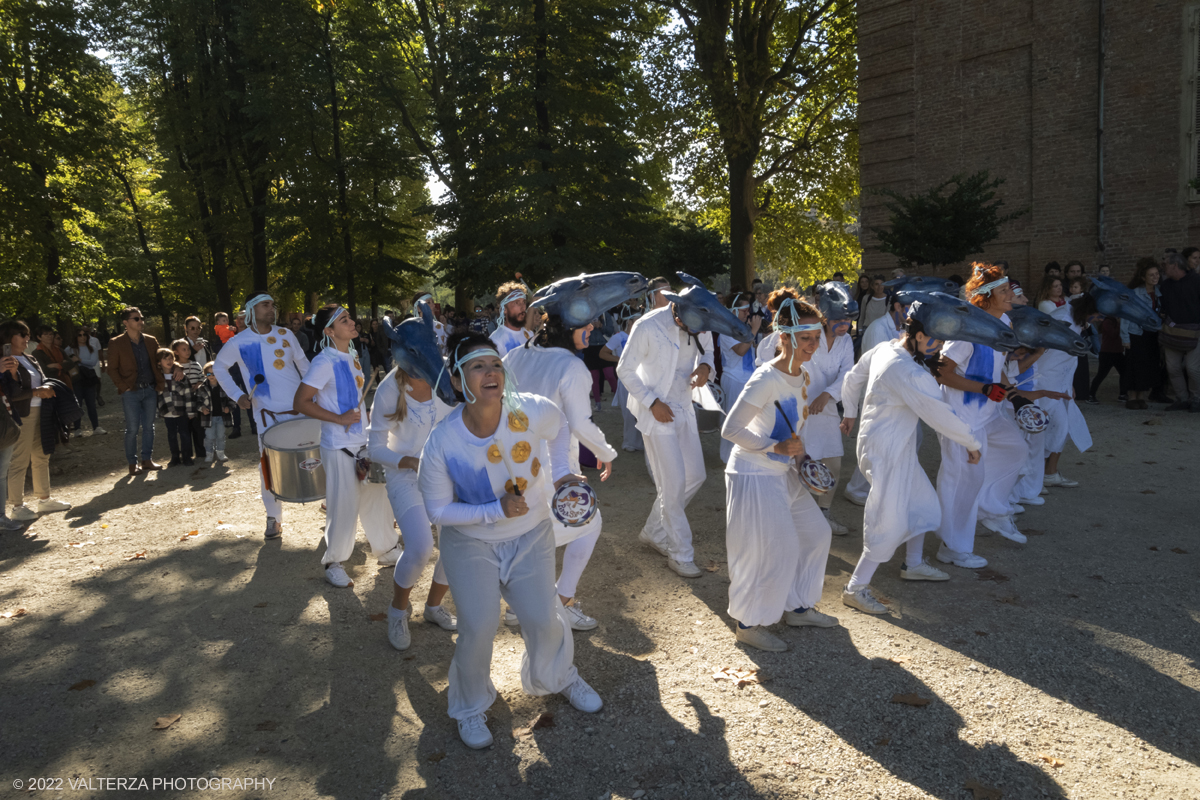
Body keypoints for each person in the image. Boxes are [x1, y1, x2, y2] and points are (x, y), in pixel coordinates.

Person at [417, 332, 602, 749]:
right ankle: (469, 706)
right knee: (479, 629)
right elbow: (438, 511)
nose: (490, 373)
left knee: (543, 618)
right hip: (469, 543)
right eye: (478, 366)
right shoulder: (443, 441)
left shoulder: (533, 410)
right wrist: (493, 511)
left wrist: (559, 473)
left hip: (530, 535)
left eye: (496, 364)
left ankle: (559, 676)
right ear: (460, 378)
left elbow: (560, 428)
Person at [838, 300, 985, 614]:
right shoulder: (906, 370)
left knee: (922, 502)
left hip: (888, 445)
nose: (940, 347)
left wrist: (850, 412)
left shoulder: (886, 349)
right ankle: (855, 588)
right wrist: (971, 443)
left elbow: (852, 378)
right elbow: (939, 413)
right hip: (886, 451)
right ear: (918, 336)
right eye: (937, 340)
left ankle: (913, 564)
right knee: (888, 517)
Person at [720, 293, 838, 651]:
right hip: (753, 474)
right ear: (784, 337)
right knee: (773, 548)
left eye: (817, 338)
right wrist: (775, 448)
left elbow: (793, 430)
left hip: (783, 473)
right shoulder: (764, 379)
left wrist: (802, 458)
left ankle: (798, 606)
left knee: (817, 534)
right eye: (806, 338)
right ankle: (748, 622)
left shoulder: (801, 377)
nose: (813, 346)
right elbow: (730, 430)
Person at [505, 312, 619, 631]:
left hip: (508, 461)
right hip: (550, 463)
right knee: (587, 522)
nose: (592, 328)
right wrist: (605, 452)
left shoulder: (515, 354)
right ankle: (560, 602)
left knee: (528, 530)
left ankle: (520, 605)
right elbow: (580, 422)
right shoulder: (571, 366)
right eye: (585, 323)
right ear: (566, 328)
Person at [933, 265, 1033, 567]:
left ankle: (991, 508)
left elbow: (998, 364)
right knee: (962, 480)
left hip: (989, 413)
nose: (1010, 294)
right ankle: (951, 546)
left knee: (1016, 449)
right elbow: (942, 373)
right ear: (986, 297)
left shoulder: (1002, 321)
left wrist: (1013, 396)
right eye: (1004, 291)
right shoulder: (965, 330)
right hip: (961, 417)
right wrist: (984, 387)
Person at [294, 305, 400, 588]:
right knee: (343, 505)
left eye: (350, 318)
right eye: (344, 320)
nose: (353, 322)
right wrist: (338, 418)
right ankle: (334, 562)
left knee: (376, 496)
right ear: (329, 331)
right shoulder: (323, 361)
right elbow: (301, 402)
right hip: (339, 445)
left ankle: (386, 549)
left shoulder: (352, 356)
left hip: (361, 440)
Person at [615, 283, 715, 578]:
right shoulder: (647, 326)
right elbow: (625, 369)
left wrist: (706, 367)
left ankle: (653, 531)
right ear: (676, 308)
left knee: (696, 475)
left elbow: (706, 350)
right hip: (655, 412)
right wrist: (651, 401)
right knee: (673, 483)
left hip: (684, 407)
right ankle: (680, 552)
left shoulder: (701, 319)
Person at [368, 357, 457, 651]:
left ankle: (433, 607)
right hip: (405, 476)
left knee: (455, 544)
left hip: (447, 473)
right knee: (420, 548)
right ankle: (397, 611)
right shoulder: (389, 388)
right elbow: (375, 448)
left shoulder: (445, 372)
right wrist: (408, 461)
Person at [214, 292, 311, 539]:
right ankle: (274, 517)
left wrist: (314, 397)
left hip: (299, 409)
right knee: (268, 465)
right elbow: (219, 368)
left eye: (272, 305)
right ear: (250, 310)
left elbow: (305, 366)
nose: (272, 309)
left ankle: (329, 502)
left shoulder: (286, 334)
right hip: (267, 415)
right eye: (265, 305)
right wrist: (237, 395)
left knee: (314, 453)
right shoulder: (239, 342)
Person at [1, 320, 72, 521]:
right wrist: (37, 391)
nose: (27, 339)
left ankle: (44, 498)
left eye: (27, 334)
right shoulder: (4, 360)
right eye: (22, 335)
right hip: (21, 415)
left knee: (42, 455)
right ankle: (16, 506)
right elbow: (11, 393)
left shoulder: (29, 358)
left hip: (42, 412)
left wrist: (48, 388)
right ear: (9, 337)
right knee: (19, 460)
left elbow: (41, 380)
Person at [802, 287, 856, 535]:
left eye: (848, 320)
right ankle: (801, 516)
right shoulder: (809, 335)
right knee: (803, 462)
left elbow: (848, 374)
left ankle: (824, 513)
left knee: (833, 463)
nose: (844, 325)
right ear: (825, 317)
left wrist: (828, 395)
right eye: (838, 320)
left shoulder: (846, 342)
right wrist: (817, 394)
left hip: (829, 407)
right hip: (803, 408)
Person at [1038, 295, 1098, 488]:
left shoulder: (1076, 320)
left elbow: (1068, 359)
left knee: (1061, 428)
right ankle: (1039, 475)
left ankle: (1048, 472)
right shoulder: (1063, 319)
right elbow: (1048, 357)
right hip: (1045, 382)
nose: (1097, 319)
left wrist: (1068, 383)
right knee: (1047, 428)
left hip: (1059, 383)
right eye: (1096, 315)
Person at [107, 307, 165, 475]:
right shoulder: (116, 343)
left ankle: (146, 460)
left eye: (141, 318)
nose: (141, 321)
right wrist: (123, 387)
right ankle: (132, 463)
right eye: (136, 319)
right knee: (132, 428)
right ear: (126, 323)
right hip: (130, 391)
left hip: (150, 389)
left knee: (149, 427)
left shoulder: (151, 340)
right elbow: (112, 369)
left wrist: (173, 370)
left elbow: (160, 361)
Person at [717, 292, 761, 462]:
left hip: (747, 379)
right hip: (733, 379)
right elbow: (741, 351)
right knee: (732, 420)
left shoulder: (743, 329)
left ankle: (742, 454)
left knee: (746, 421)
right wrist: (754, 330)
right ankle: (726, 456)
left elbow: (752, 350)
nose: (748, 314)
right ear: (734, 310)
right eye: (744, 310)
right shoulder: (726, 330)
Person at [1158, 251, 1200, 411]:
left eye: (1165, 265)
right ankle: (1182, 399)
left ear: (1175, 265)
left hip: (1195, 332)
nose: (1163, 268)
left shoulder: (1196, 281)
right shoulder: (1166, 285)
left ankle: (1197, 398)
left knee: (1193, 368)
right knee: (1173, 368)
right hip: (1172, 332)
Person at [1120, 258, 1163, 410]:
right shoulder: (1135, 293)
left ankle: (1141, 396)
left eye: (1157, 274)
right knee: (1134, 365)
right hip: (1136, 333)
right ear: (1143, 277)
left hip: (1151, 335)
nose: (1155, 277)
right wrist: (1125, 337)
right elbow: (1126, 315)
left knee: (1147, 365)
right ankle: (1132, 397)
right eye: (1151, 275)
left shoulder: (1158, 293)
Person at [599, 307, 643, 452]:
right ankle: (630, 442)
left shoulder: (643, 335)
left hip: (642, 379)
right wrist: (620, 360)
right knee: (629, 412)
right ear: (629, 321)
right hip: (625, 380)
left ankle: (643, 442)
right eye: (636, 319)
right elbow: (603, 353)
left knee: (642, 411)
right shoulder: (619, 336)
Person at [156, 347, 197, 466]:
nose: (169, 361)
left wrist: (190, 412)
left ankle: (187, 456)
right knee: (171, 434)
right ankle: (175, 457)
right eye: (165, 359)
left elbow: (188, 394)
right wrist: (158, 412)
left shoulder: (181, 376)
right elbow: (156, 397)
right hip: (167, 411)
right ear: (159, 362)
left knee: (184, 433)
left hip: (181, 410)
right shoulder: (158, 377)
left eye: (171, 359)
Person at [66, 328, 106, 436]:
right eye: (80, 335)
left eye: (84, 335)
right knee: (77, 403)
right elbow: (66, 362)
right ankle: (78, 428)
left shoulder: (91, 348)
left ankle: (96, 426)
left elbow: (93, 362)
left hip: (88, 377)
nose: (82, 337)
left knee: (91, 403)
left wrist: (79, 360)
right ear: (76, 336)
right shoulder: (69, 349)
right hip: (76, 379)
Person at [172, 339, 207, 460]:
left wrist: (199, 383)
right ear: (176, 352)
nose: (187, 352)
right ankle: (187, 454)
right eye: (183, 349)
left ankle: (201, 452)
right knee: (184, 429)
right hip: (182, 403)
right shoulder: (174, 368)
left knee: (198, 428)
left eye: (188, 348)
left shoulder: (196, 365)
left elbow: (203, 378)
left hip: (196, 401)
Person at [196, 361, 231, 463]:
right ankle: (209, 453)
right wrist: (202, 408)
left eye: (214, 374)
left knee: (220, 436)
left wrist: (229, 408)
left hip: (222, 416)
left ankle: (220, 452)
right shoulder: (201, 388)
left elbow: (231, 400)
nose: (211, 376)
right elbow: (197, 402)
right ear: (205, 374)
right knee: (209, 437)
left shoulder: (224, 387)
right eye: (208, 374)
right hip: (208, 417)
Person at [1087, 314, 1126, 404]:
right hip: (1107, 352)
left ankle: (1123, 394)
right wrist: (1120, 325)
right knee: (1101, 374)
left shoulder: (1113, 321)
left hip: (1117, 352)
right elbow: (1113, 334)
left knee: (1124, 373)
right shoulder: (1108, 321)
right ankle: (1091, 395)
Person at [489, 282, 533, 355]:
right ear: (504, 309)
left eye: (524, 302)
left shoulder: (530, 334)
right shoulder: (495, 340)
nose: (522, 307)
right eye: (516, 302)